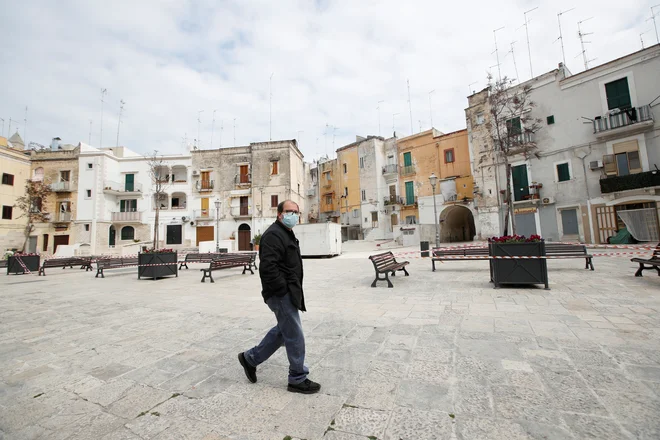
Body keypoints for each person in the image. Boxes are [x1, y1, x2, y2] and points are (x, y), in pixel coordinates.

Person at [238, 200, 321, 394]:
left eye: (296, 212)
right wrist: (283, 290)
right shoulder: (274, 235)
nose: (294, 215)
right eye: (289, 211)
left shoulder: (285, 233)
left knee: (284, 332)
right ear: (280, 214)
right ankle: (297, 378)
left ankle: (250, 359)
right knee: (295, 336)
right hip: (280, 294)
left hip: (288, 292)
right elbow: (268, 268)